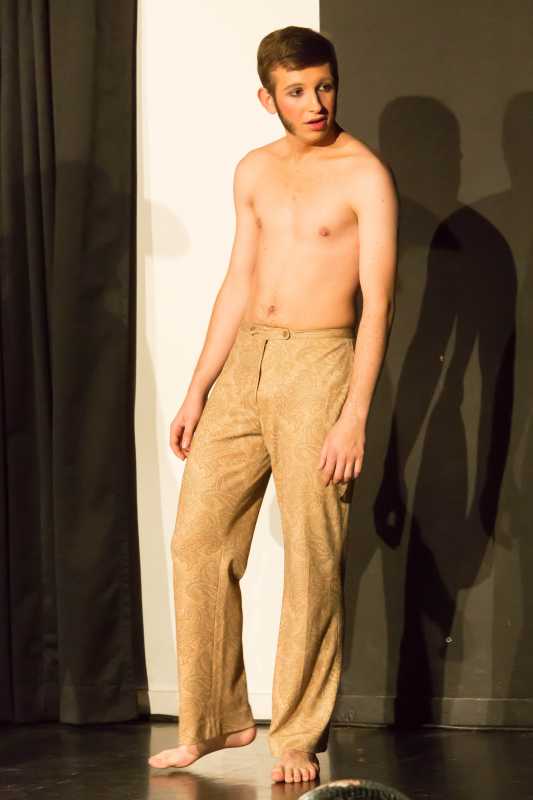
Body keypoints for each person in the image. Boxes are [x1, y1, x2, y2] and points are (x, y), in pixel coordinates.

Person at [148, 24, 398, 785]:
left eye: (324, 86)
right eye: (297, 91)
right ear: (268, 98)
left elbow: (380, 302)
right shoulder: (253, 170)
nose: (315, 102)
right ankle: (213, 721)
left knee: (312, 555)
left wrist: (354, 412)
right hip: (246, 362)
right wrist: (198, 387)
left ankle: (295, 737)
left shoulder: (364, 175)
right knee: (198, 541)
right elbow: (237, 281)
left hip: (320, 365)